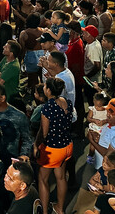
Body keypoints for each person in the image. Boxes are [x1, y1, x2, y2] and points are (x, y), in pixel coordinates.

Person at [34, 77, 73, 214]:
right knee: (61, 177)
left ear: (49, 90)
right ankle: (60, 209)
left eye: (45, 86)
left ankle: (45, 211)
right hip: (67, 146)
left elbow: (44, 133)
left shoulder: (48, 107)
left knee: (43, 179)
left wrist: (36, 145)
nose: (43, 88)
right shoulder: (67, 102)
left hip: (53, 149)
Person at [0, 83, 32, 160]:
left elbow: (27, 139)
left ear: (2, 98)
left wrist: (23, 155)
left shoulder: (19, 116)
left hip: (9, 160)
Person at [89, 98, 115, 170]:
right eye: (108, 110)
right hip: (99, 162)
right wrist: (98, 137)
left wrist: (92, 141)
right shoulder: (114, 121)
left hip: (107, 169)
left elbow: (109, 156)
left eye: (112, 112)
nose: (108, 114)